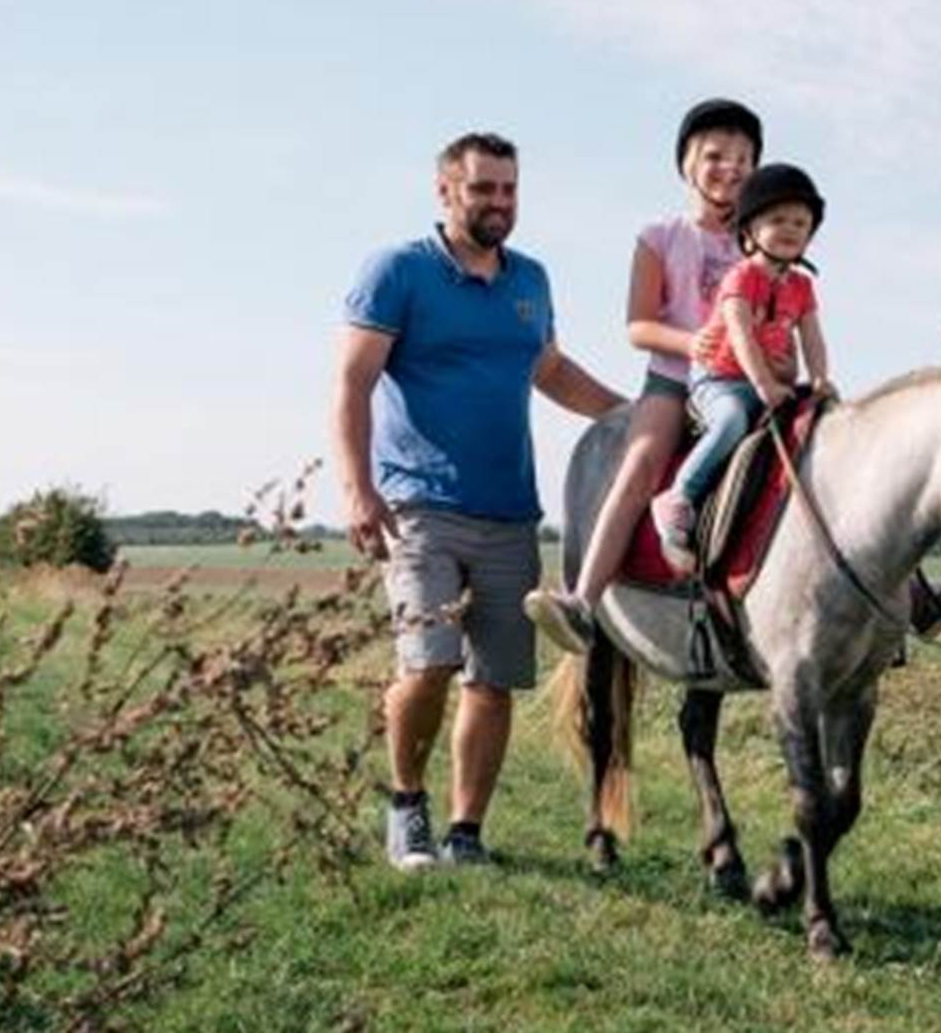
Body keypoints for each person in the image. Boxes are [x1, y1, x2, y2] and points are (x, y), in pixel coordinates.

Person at [333, 131, 623, 870]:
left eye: (509, 190)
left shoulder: (530, 280)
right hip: (418, 506)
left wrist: (632, 416)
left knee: (492, 682)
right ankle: (407, 807)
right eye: (483, 189)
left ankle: (466, 833)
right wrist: (356, 488)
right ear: (445, 192)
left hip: (509, 510)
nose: (499, 203)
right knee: (427, 663)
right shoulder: (397, 271)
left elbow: (550, 371)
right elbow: (352, 383)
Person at [523, 99, 766, 651]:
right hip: (675, 381)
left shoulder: (759, 241)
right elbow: (639, 325)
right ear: (687, 164)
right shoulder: (660, 235)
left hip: (747, 381)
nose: (730, 167)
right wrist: (694, 343)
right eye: (715, 156)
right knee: (638, 466)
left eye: (744, 158)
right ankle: (583, 601)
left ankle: (873, 600)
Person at [648, 162, 833, 572]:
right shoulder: (741, 277)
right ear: (749, 230)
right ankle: (678, 497)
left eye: (801, 223)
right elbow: (741, 336)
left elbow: (813, 337)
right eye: (777, 219)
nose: (790, 229)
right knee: (731, 421)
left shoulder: (802, 286)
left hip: (766, 379)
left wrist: (819, 377)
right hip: (719, 379)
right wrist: (765, 384)